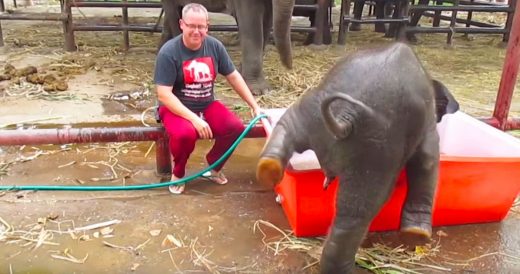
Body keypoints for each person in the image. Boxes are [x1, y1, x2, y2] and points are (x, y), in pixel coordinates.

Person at [153, 3, 262, 194]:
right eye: (191, 26)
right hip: (175, 107)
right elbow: (164, 94)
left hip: (206, 103)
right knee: (185, 134)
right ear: (181, 24)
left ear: (207, 26)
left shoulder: (214, 46)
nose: (197, 31)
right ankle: (178, 173)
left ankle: (214, 166)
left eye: (201, 26)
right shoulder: (169, 52)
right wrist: (194, 119)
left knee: (235, 127)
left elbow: (233, 76)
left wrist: (254, 105)